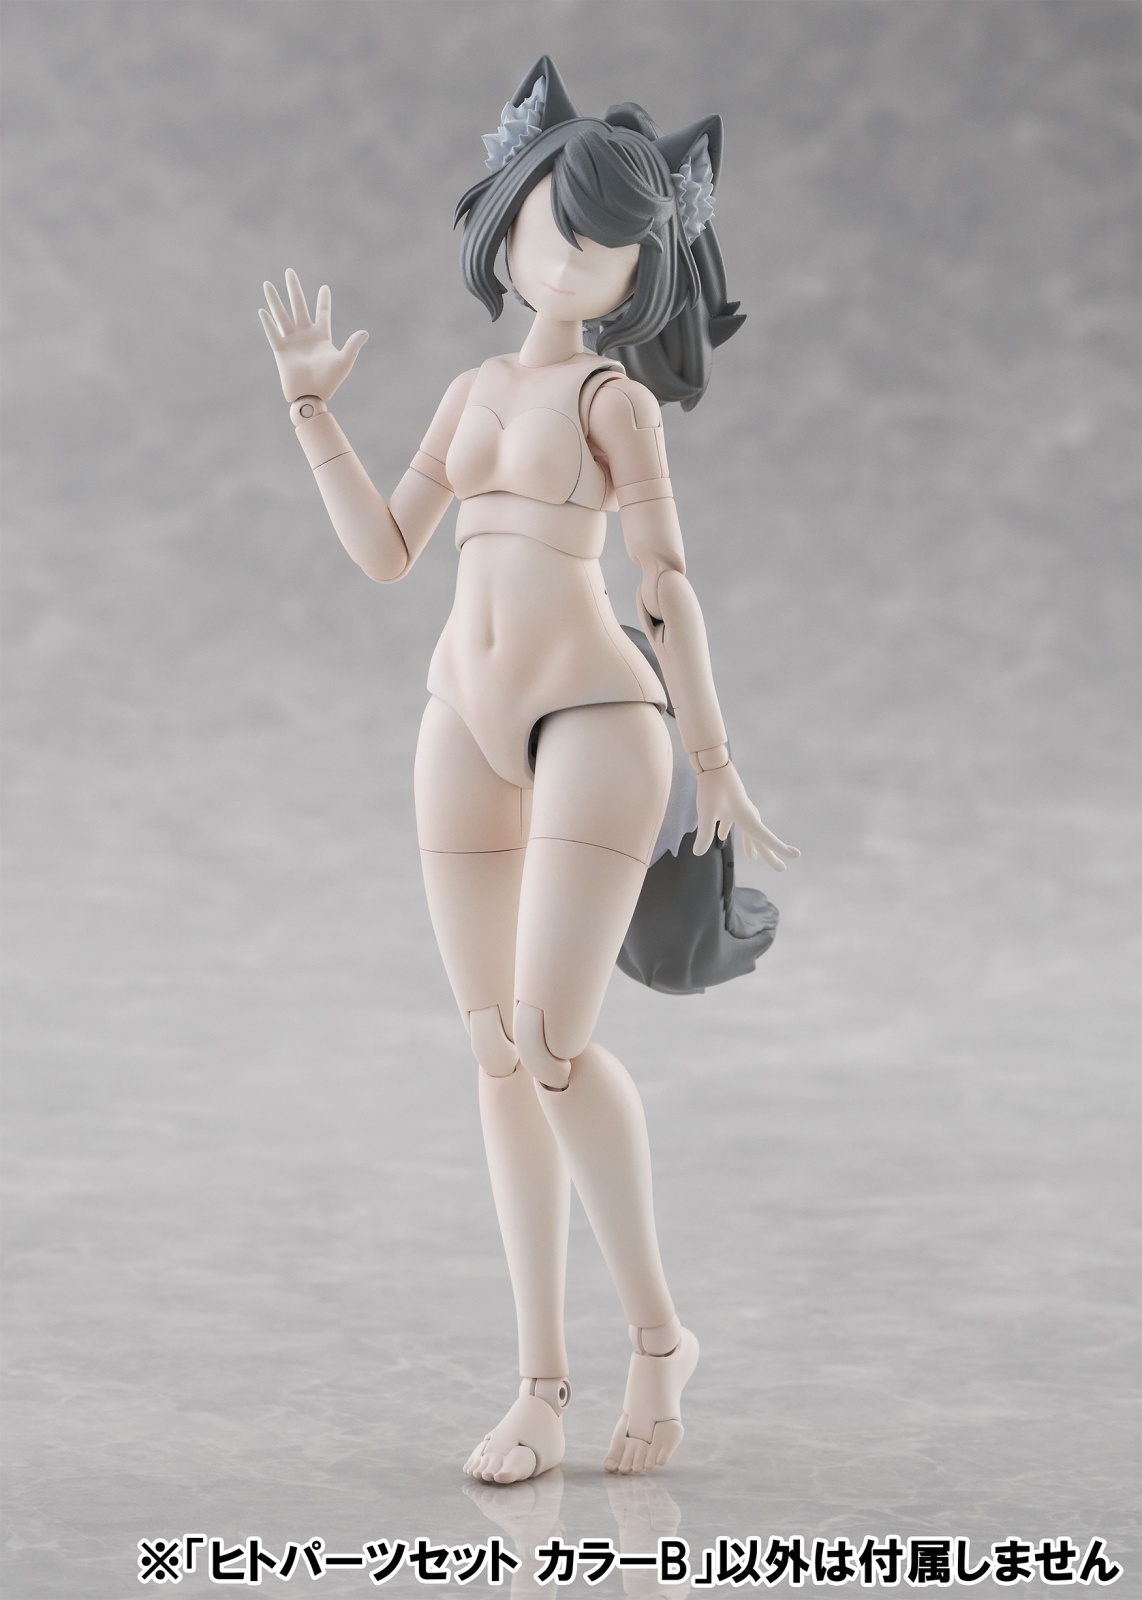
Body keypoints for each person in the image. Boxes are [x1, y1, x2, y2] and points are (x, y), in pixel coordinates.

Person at [259, 56, 797, 1484]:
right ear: (506, 215)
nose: (563, 256)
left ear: (638, 269)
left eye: (600, 242)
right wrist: (313, 414)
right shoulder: (472, 389)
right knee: (496, 1053)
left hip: (594, 716)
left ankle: (659, 1339)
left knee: (552, 1042)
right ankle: (539, 1385)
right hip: (461, 711)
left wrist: (713, 758)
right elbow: (388, 551)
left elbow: (664, 581)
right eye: (551, 222)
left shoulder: (617, 401)